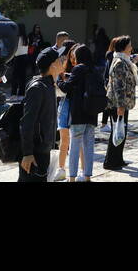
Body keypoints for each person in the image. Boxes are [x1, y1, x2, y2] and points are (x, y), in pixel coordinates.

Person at [19, 47, 65, 182]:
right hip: (35, 153)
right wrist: (27, 153)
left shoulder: (49, 85)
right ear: (53, 65)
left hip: (44, 150)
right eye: (59, 59)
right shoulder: (38, 88)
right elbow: (27, 122)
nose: (62, 60)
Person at [60, 44, 103, 181]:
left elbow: (67, 87)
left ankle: (72, 177)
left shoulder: (78, 68)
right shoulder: (95, 70)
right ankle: (87, 176)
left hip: (78, 113)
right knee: (89, 147)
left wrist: (59, 80)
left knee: (74, 146)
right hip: (92, 112)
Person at [104, 36, 138, 170]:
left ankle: (118, 159)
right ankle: (110, 161)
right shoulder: (119, 63)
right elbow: (119, 86)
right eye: (130, 46)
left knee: (122, 130)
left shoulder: (124, 60)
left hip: (122, 103)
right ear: (124, 48)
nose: (131, 48)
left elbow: (132, 59)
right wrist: (120, 106)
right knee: (117, 130)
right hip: (117, 104)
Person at [52, 39, 77, 181]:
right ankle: (62, 168)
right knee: (66, 139)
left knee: (71, 139)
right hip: (65, 102)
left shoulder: (75, 66)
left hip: (66, 102)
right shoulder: (62, 64)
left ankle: (68, 169)